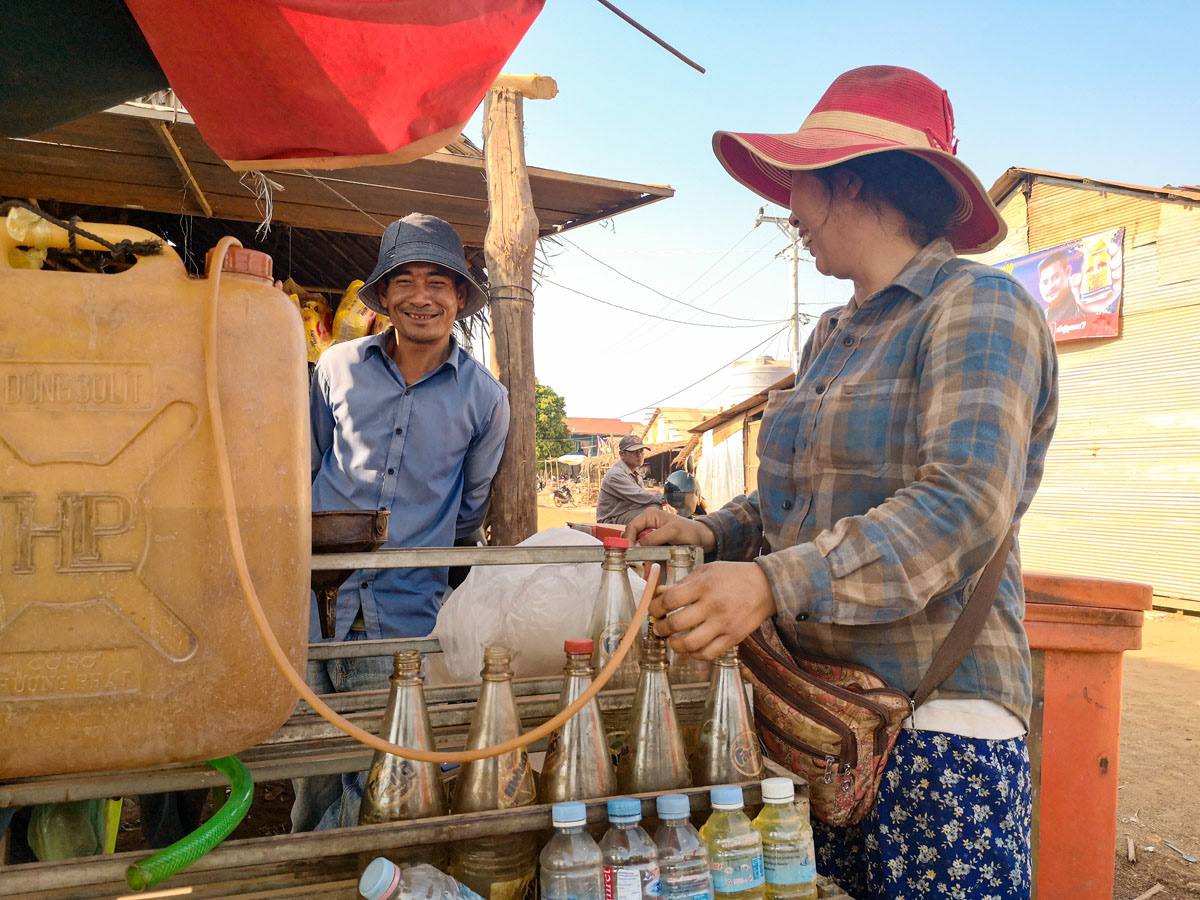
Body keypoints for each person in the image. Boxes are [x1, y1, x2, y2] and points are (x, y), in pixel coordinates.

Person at [626, 66, 1058, 900]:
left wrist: (771, 582)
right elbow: (798, 503)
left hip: (934, 728)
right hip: (817, 726)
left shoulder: (978, 307)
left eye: (800, 186)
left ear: (850, 182)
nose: (789, 211)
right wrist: (713, 534)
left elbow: (964, 503)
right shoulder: (833, 333)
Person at [294, 213, 510, 832]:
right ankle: (315, 868)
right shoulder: (334, 368)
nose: (422, 297)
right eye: (406, 281)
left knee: (383, 779)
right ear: (384, 295)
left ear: (460, 298)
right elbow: (306, 469)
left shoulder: (485, 399)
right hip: (311, 603)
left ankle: (354, 872)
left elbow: (470, 510)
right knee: (313, 771)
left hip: (406, 612)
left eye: (439, 282)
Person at [596, 435, 665, 525]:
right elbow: (639, 496)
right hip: (612, 519)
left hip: (626, 512)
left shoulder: (636, 472)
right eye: (634, 452)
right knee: (655, 510)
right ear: (622, 455)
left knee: (655, 508)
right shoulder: (616, 474)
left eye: (641, 451)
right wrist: (666, 498)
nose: (639, 455)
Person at [1037, 249, 1085, 321]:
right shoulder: (1041, 317)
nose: (1050, 286)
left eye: (1056, 277)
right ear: (1039, 286)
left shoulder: (1082, 305)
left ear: (1067, 272)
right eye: (1045, 282)